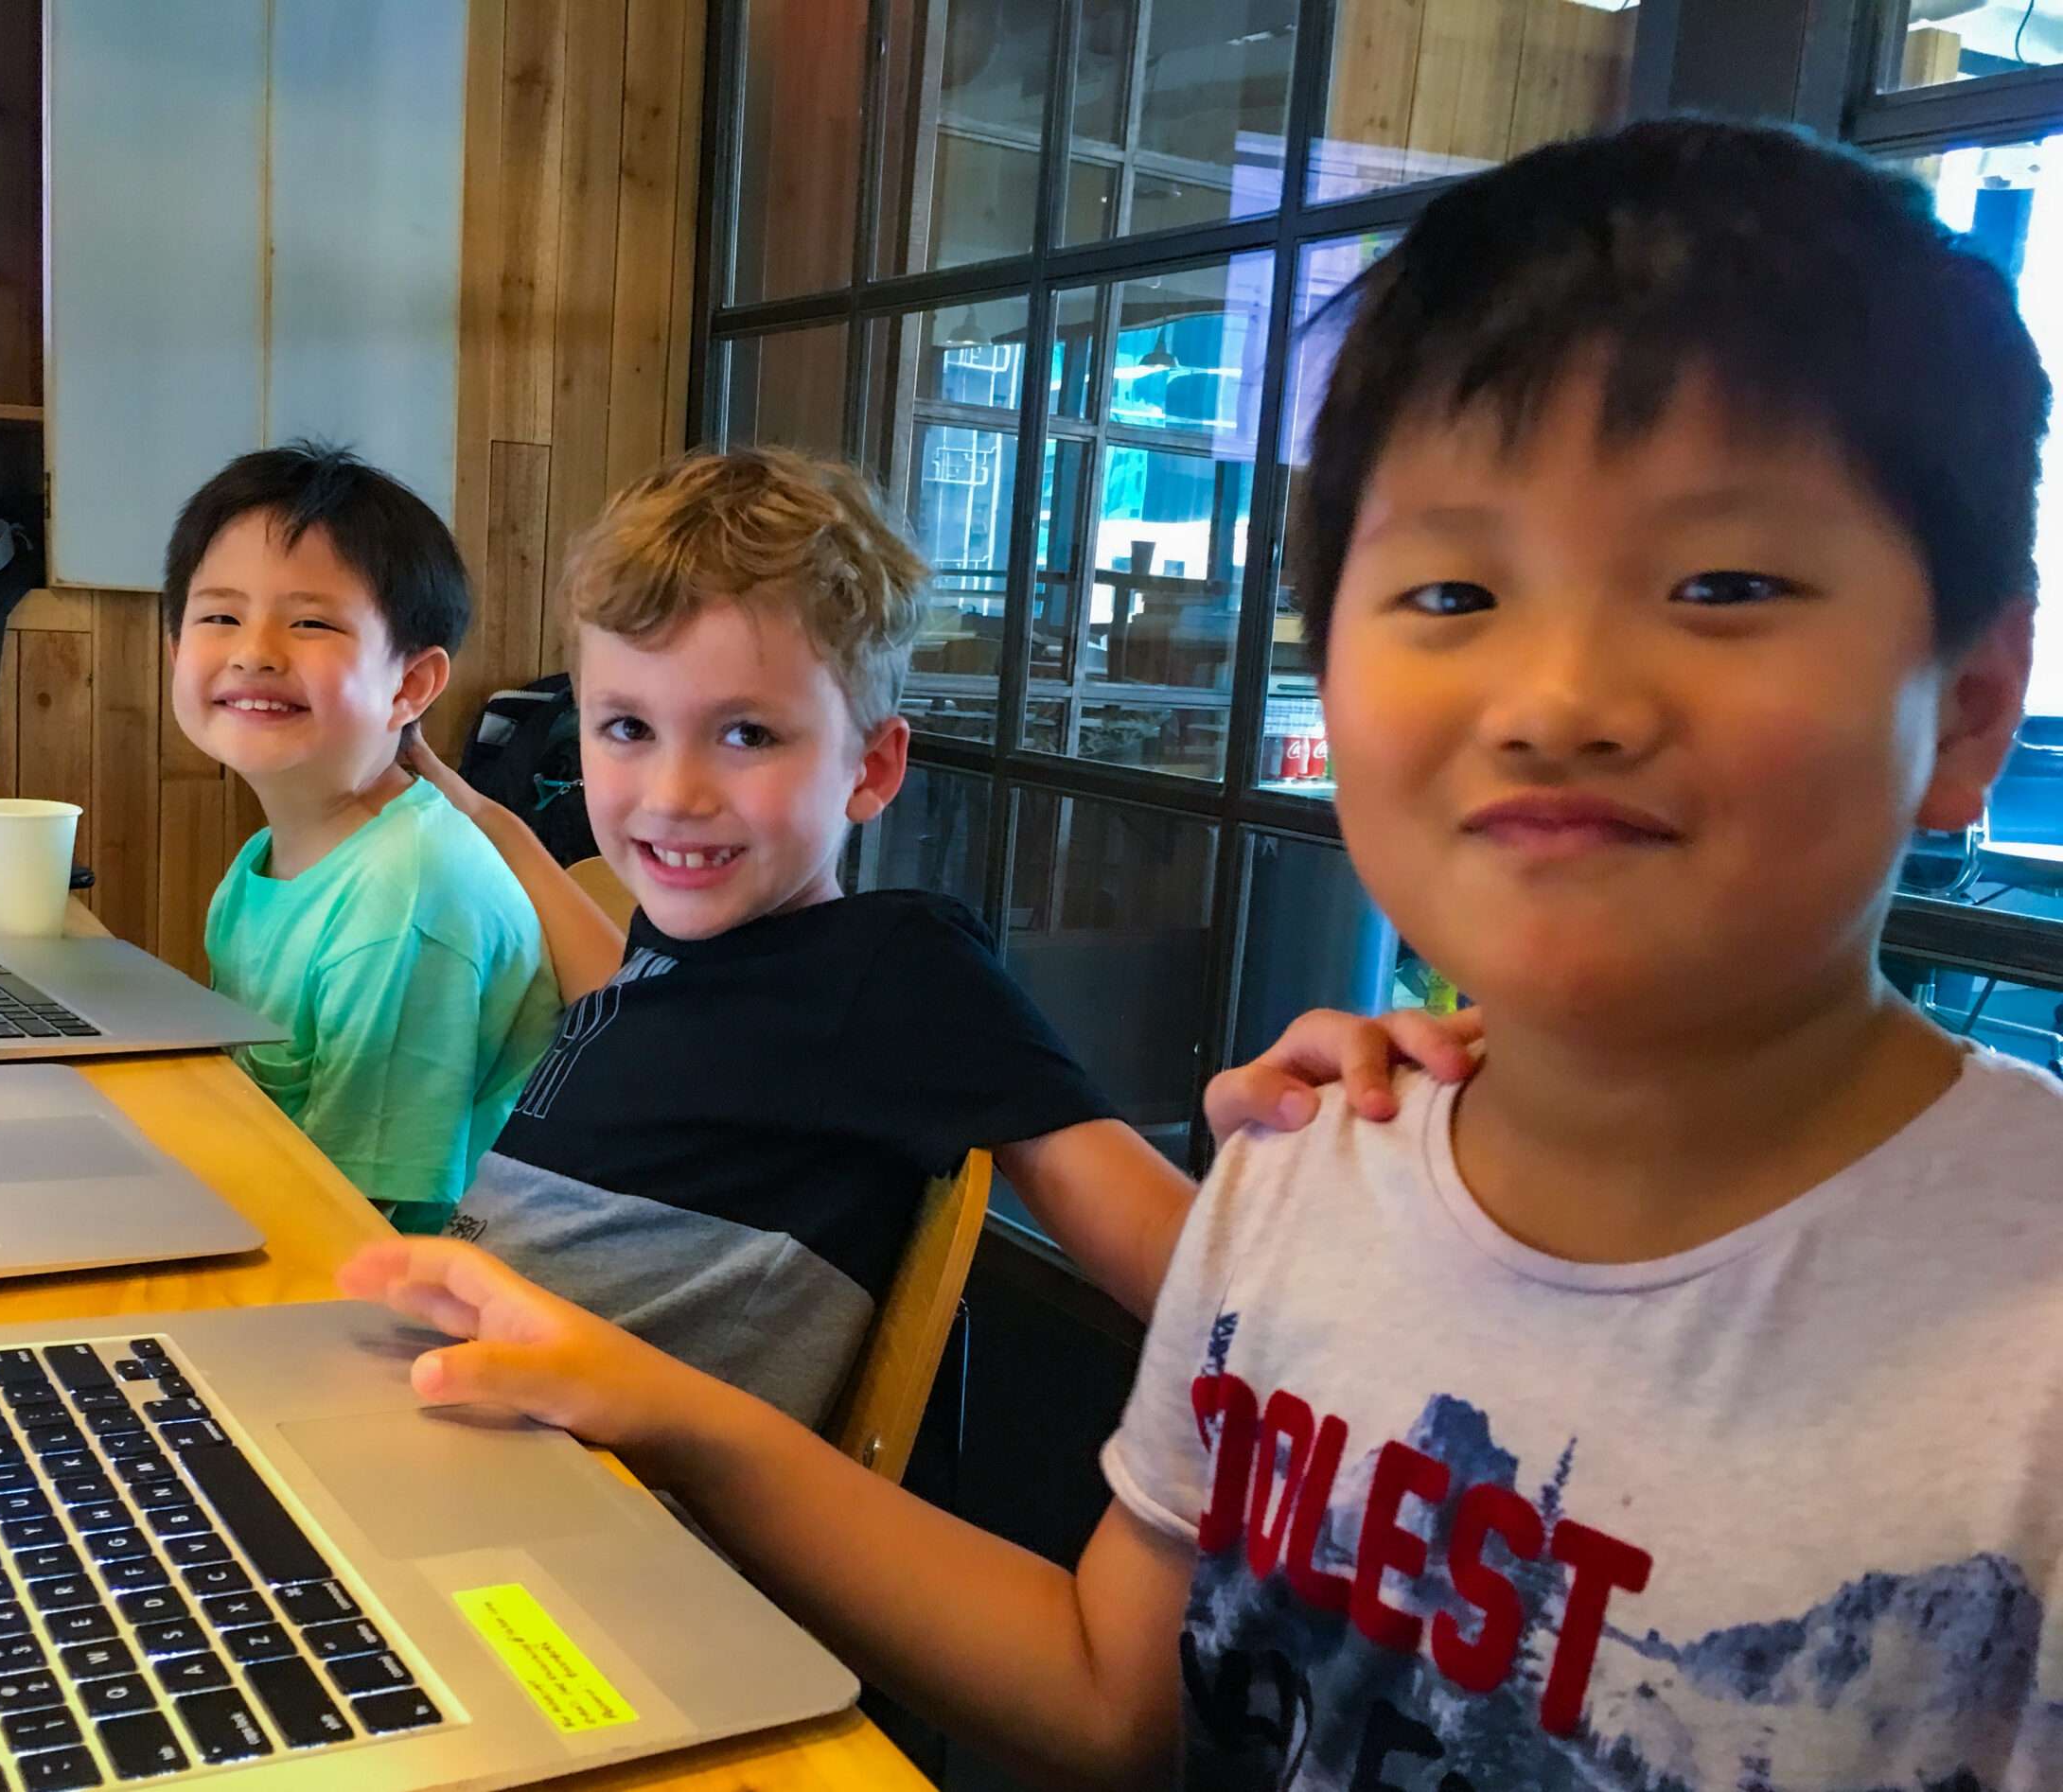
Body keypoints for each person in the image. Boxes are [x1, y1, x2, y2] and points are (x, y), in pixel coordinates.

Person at [343, 118, 2063, 1786]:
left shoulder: (2021, 1330)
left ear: (1975, 702)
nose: (1560, 700)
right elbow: (1115, 1698)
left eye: (1724, 582)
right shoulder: (1314, 1185)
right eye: (1456, 595)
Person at [398, 446, 1202, 1425]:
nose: (672, 796)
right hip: (458, 1410)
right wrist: (430, 774)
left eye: (747, 735)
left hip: (602, 1516)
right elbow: (548, 886)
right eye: (625, 729)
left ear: (869, 767)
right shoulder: (655, 950)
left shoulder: (893, 972)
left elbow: (1198, 1282)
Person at [165, 442, 561, 1231]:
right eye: (219, 616)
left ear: (409, 685)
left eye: (310, 622)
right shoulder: (267, 861)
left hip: (390, 1290)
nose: (253, 652)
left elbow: (368, 1220)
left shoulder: (405, 895)